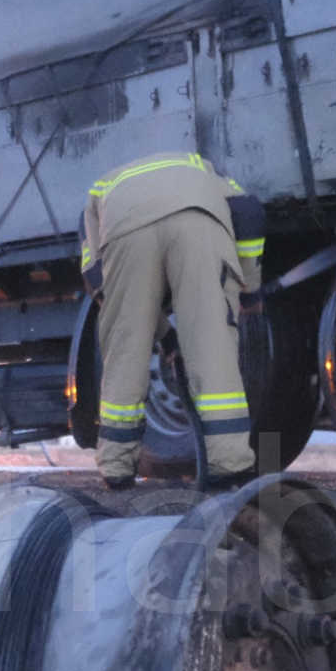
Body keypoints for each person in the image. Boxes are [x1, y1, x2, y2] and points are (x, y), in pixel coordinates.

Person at [82, 152, 266, 490]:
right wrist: (250, 290)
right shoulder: (202, 168)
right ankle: (229, 465)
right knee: (211, 345)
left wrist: (163, 335)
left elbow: (99, 282)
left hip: (124, 230)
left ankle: (116, 469)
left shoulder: (100, 191)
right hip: (197, 222)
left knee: (125, 350)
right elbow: (249, 212)